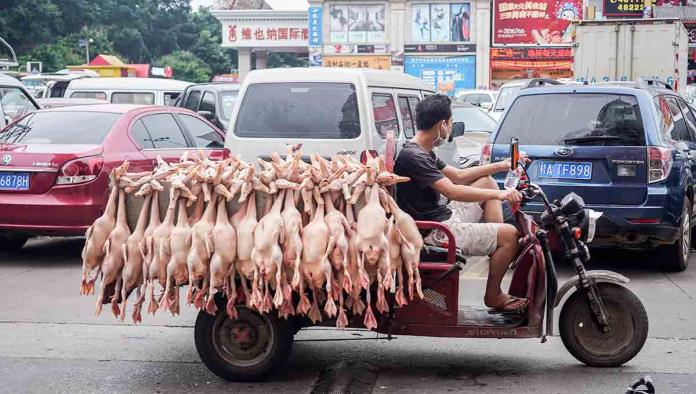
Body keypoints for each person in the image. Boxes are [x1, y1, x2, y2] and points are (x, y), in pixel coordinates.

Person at [394, 94, 528, 312]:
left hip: (444, 216)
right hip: (436, 232)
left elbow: (458, 175)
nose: (450, 127)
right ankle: (493, 294)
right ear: (442, 125)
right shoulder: (414, 156)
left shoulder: (421, 150)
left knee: (487, 183)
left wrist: (501, 165)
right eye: (450, 122)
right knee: (511, 235)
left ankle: (495, 245)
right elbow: (452, 190)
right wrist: (501, 195)